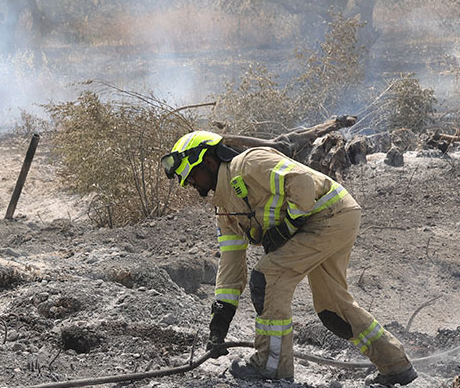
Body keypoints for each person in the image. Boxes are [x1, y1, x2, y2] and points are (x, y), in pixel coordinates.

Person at [161, 131, 418, 385]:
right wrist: (220, 318)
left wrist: (287, 228)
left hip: (330, 215)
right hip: (334, 218)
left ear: (208, 162)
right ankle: (395, 365)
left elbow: (302, 182)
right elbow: (231, 262)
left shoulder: (249, 165)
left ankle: (271, 365)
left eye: (191, 175)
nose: (190, 184)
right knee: (332, 308)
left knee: (268, 277)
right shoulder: (224, 207)